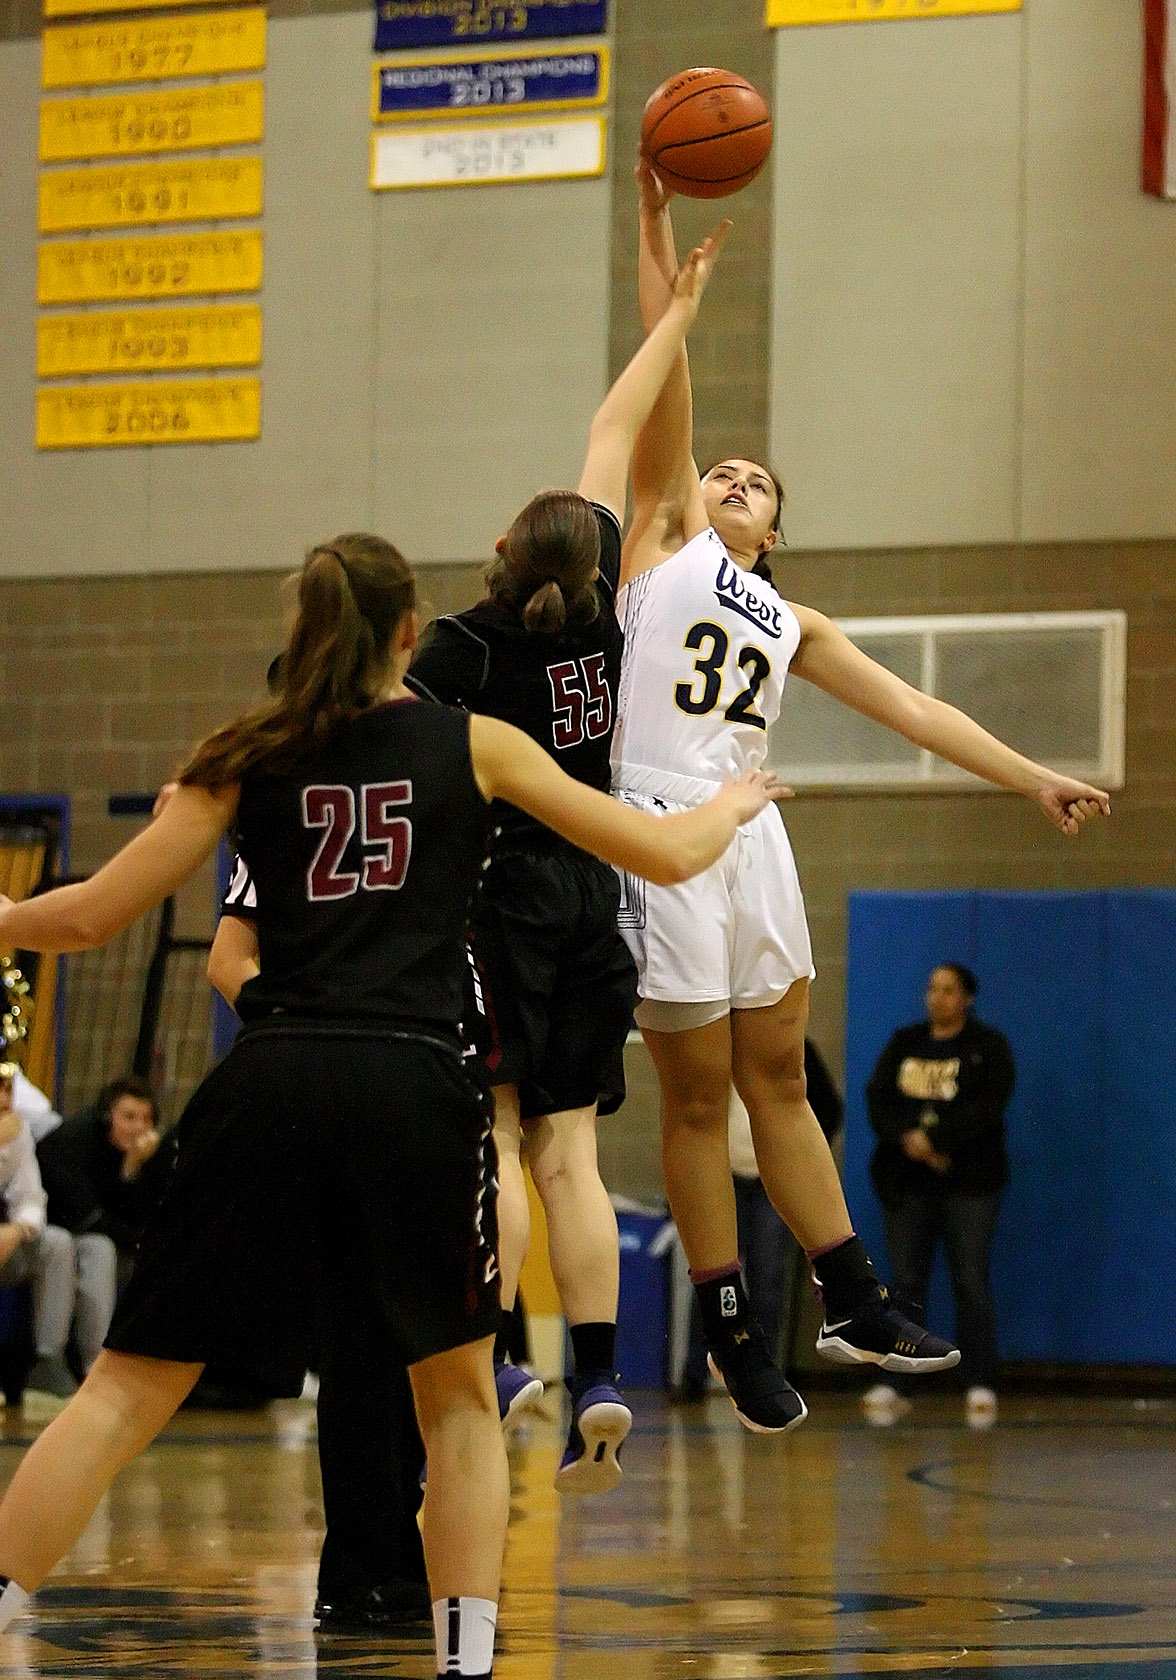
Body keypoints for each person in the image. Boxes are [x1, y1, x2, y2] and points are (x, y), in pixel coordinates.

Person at [0, 224, 786, 1680]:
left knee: (117, 1391)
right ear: (410, 631)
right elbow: (666, 853)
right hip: (418, 1084)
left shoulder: (244, 752)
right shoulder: (474, 742)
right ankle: (470, 1659)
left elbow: (87, 914)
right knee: (458, 1402)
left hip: (275, 1076)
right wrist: (731, 796)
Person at [618, 160, 1111, 1436]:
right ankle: (729, 1329)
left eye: (755, 481)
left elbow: (920, 711)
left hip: (752, 822)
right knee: (694, 1096)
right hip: (664, 818)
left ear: (775, 532)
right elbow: (663, 395)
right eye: (720, 471)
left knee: (778, 1081)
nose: (731, 479)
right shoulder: (659, 548)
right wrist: (660, 242)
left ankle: (849, 1295)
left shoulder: (790, 614)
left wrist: (1033, 775)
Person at [406, 247, 699, 1492]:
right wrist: (678, 312)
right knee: (576, 1156)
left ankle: (514, 1365)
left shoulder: (460, 649)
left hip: (502, 905)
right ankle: (598, 1373)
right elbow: (616, 423)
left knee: (501, 1137)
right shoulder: (605, 611)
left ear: (496, 554)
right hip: (597, 899)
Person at [208, 867, 432, 1629]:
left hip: (415, 1077)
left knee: (407, 1346)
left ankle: (398, 1564)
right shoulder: (282, 815)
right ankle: (364, 1567)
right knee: (362, 1344)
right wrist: (299, 1022)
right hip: (340, 1089)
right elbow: (227, 959)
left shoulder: (431, 799)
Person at [864, 963, 1015, 1428]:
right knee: (906, 1283)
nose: (937, 997)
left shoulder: (986, 1048)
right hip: (908, 1182)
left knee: (970, 1279)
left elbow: (989, 1106)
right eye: (932, 988)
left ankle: (979, 1379)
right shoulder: (905, 1042)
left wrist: (939, 1141)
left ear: (966, 998)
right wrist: (908, 1139)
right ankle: (899, 1379)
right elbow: (877, 1097)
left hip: (969, 1183)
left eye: (948, 990)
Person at [679, 1041, 843, 1400]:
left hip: (772, 1182)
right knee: (713, 1277)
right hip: (725, 1179)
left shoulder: (795, 1048)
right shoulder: (711, 1046)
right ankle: (695, 1374)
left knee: (769, 1283)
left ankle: (765, 1375)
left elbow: (829, 1110)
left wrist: (802, 1165)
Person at [36, 1075, 175, 1384]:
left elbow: (141, 1219)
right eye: (129, 1117)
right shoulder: (75, 1139)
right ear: (106, 1116)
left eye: (147, 1119)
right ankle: (48, 1363)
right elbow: (88, 1215)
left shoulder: (142, 1153)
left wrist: (132, 1169)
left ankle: (95, 1367)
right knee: (82, 1246)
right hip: (46, 1227)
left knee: (101, 1249)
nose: (140, 1127)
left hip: (87, 1235)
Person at [0, 1062, 78, 1403]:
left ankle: (47, 1364)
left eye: (7, 1093)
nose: (6, 1102)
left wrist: (16, 1230)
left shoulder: (16, 1132)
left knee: (58, 1243)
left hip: (7, 1243)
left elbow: (32, 1199)